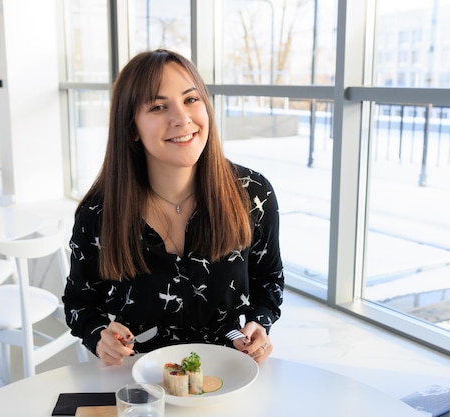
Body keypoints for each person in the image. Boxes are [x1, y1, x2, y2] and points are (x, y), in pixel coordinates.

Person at [63, 49, 284, 366]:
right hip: (141, 381)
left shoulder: (252, 194)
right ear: (131, 127)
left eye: (191, 100)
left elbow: (269, 281)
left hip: (229, 370)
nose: (182, 119)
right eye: (157, 106)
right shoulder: (99, 213)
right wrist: (100, 337)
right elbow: (80, 304)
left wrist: (259, 323)